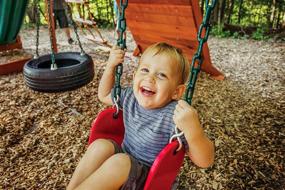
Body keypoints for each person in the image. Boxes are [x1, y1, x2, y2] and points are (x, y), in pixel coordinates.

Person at [67, 42, 215, 190]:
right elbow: (104, 95)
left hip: (149, 178)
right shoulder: (131, 96)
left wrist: (194, 130)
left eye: (161, 75)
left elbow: (205, 161)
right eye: (145, 70)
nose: (150, 78)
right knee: (101, 145)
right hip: (124, 160)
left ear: (176, 92)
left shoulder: (175, 115)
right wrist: (110, 66)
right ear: (134, 76)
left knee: (120, 162)